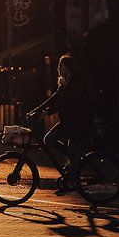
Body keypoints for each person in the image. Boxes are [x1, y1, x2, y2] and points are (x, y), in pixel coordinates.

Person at [26, 53, 91, 193]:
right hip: (68, 122)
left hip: (80, 122)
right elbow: (54, 98)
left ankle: (71, 183)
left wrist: (48, 113)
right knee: (48, 139)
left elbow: (66, 101)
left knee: (73, 151)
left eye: (60, 66)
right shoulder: (64, 82)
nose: (58, 68)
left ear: (68, 67)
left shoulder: (77, 81)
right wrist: (35, 111)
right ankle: (74, 160)